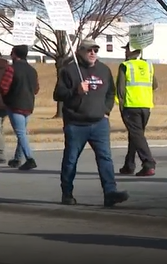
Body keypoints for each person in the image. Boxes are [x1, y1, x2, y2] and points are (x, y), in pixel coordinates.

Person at [54, 38, 129, 207]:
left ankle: (110, 192)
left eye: (95, 50)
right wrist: (76, 90)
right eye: (89, 50)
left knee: (105, 158)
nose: (93, 53)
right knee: (71, 159)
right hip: (76, 123)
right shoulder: (69, 70)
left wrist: (106, 110)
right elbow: (58, 94)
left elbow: (111, 92)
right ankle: (67, 192)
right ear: (80, 51)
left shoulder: (103, 70)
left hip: (99, 123)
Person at [117, 42, 158, 177]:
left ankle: (148, 163)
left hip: (131, 105)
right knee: (135, 135)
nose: (125, 52)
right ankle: (129, 165)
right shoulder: (148, 65)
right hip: (146, 105)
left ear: (131, 51)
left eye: (126, 49)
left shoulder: (125, 66)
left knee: (137, 135)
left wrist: (121, 105)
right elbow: (154, 85)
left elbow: (120, 89)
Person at [0, 45, 40, 170]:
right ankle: (17, 158)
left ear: (14, 54)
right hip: (28, 104)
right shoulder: (32, 70)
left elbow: (3, 86)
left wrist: (6, 97)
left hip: (15, 104)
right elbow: (36, 89)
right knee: (21, 131)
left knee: (21, 133)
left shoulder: (11, 69)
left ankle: (30, 158)